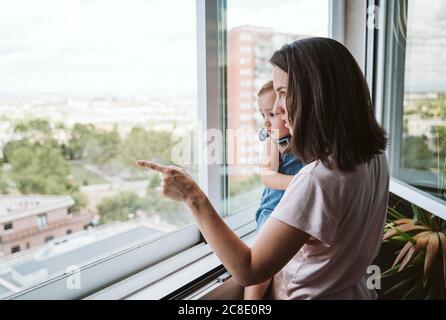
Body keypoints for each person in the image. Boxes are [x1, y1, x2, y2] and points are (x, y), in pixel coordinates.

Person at [136, 37, 389, 300]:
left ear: (316, 94)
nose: (277, 108)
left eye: (283, 93)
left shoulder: (318, 179)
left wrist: (193, 196)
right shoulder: (372, 155)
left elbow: (249, 269)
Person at [245, 80, 304, 299]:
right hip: (273, 211)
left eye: (271, 114)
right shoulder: (272, 141)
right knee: (260, 266)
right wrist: (301, 183)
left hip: (296, 213)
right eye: (263, 115)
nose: (266, 122)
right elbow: (267, 176)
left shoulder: (305, 140)